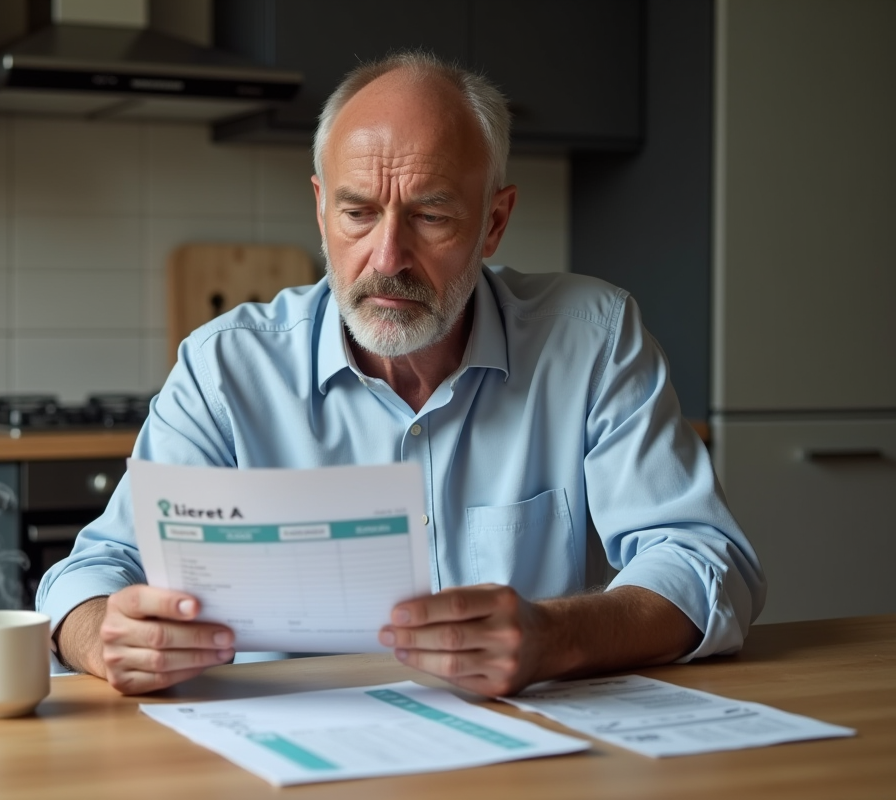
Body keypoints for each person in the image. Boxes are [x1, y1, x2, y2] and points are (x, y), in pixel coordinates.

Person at [39, 51, 766, 698]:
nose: (388, 258)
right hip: (279, 761)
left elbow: (707, 561)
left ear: (494, 222)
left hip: (529, 756)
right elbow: (90, 573)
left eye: (432, 216)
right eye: (358, 212)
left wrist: (557, 636)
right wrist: (102, 634)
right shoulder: (224, 367)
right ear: (321, 208)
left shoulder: (593, 338)